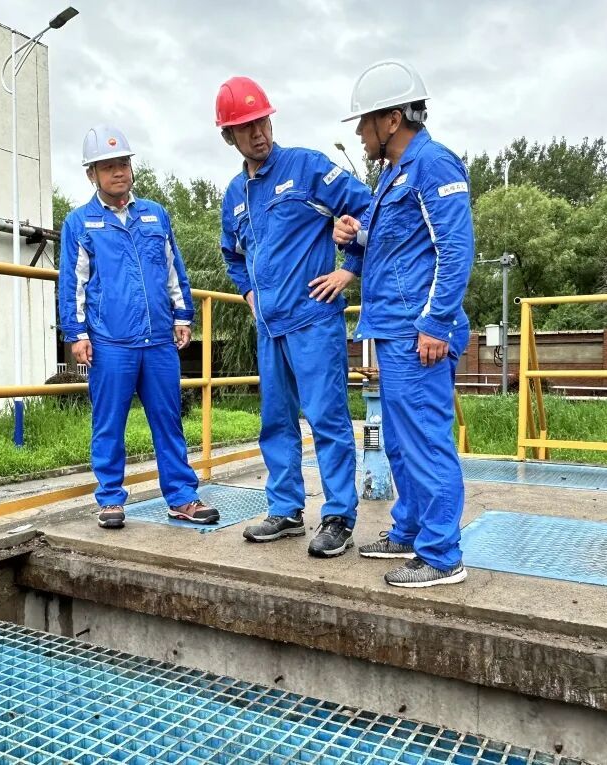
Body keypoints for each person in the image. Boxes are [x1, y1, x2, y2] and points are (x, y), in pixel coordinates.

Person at [216, 76, 371, 557]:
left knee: (327, 419)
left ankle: (339, 516)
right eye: (245, 127)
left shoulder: (306, 167)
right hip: (270, 329)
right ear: (228, 136)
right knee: (276, 423)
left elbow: (369, 208)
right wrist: (248, 293)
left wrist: (350, 269)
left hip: (313, 321)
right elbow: (232, 254)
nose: (258, 133)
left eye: (262, 121)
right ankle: (285, 510)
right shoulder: (234, 195)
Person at [333, 60, 474, 587]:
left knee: (425, 441)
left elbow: (455, 249)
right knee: (400, 441)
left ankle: (441, 555)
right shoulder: (394, 174)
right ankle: (411, 530)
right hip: (393, 328)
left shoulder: (433, 164)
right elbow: (396, 244)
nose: (359, 133)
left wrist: (436, 323)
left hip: (419, 332)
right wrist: (354, 234)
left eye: (364, 121)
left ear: (392, 119)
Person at [58, 124, 219, 530]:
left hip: (159, 339)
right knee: (109, 423)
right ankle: (111, 499)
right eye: (107, 166)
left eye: (123, 164)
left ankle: (182, 497)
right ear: (91, 174)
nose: (118, 172)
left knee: (168, 420)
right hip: (111, 342)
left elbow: (173, 269)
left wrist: (182, 316)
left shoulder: (155, 214)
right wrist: (76, 333)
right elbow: (73, 283)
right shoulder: (81, 222)